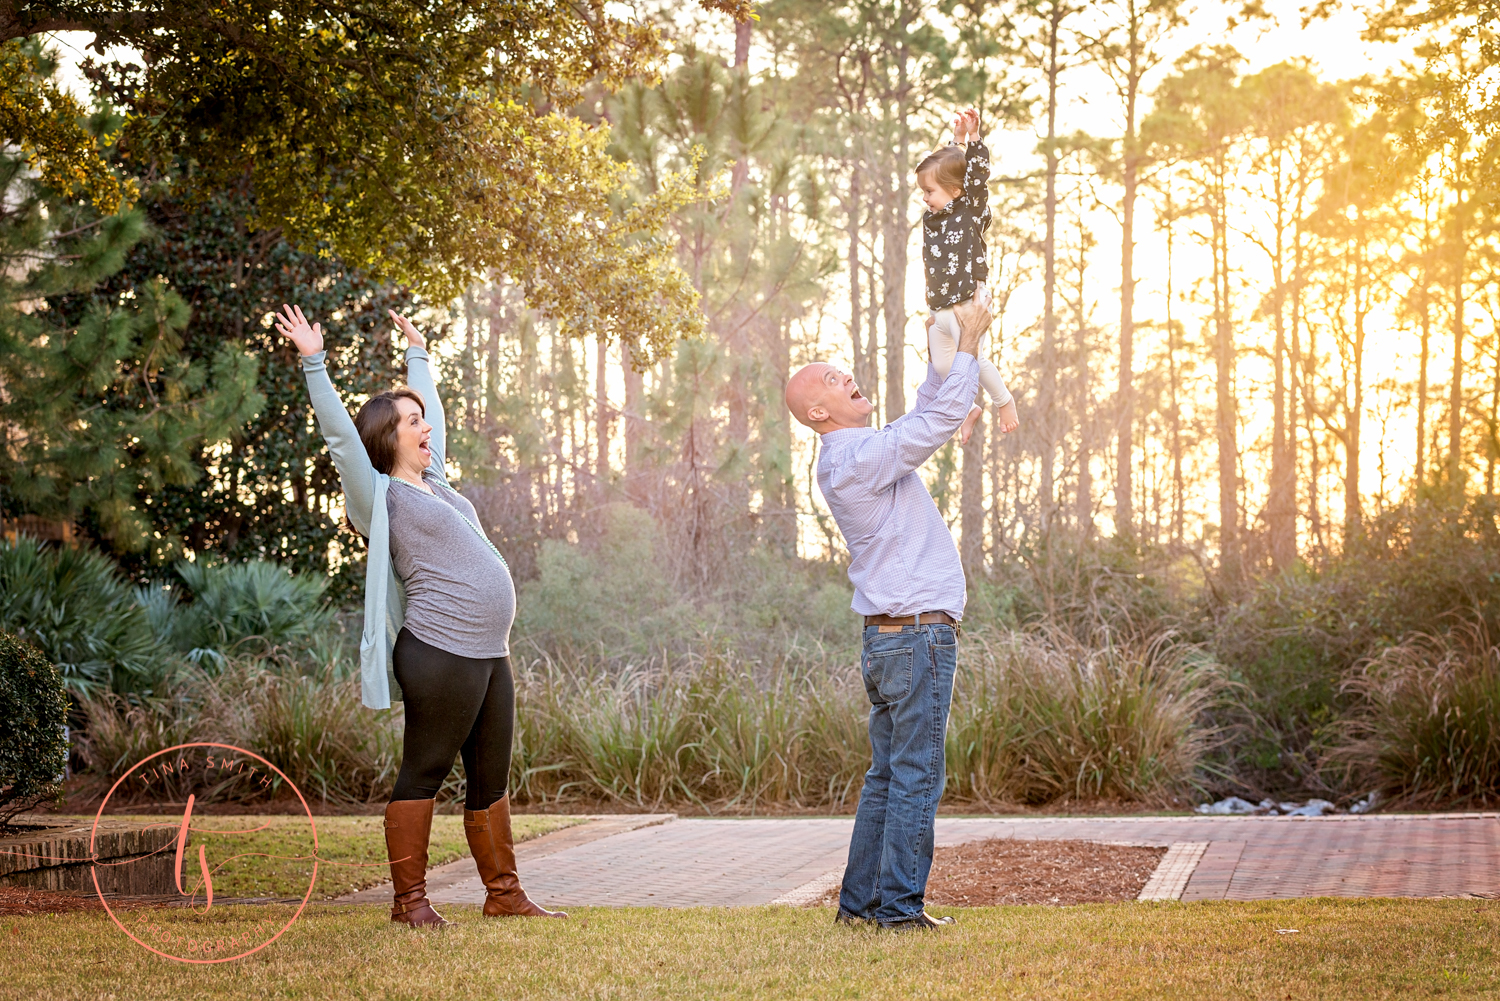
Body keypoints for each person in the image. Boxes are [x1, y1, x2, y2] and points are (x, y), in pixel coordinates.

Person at [273, 303, 564, 927]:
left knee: (491, 773)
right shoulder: (378, 495)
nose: (426, 428)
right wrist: (314, 364)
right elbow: (340, 439)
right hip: (438, 649)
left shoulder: (441, 485)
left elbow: (431, 415)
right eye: (412, 422)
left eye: (424, 419)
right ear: (387, 436)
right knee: (426, 768)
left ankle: (504, 894)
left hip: (490, 650)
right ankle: (410, 902)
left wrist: (419, 358)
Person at [784, 296, 992, 931]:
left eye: (840, 369)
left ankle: (861, 907)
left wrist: (947, 354)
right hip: (917, 639)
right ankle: (899, 911)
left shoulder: (858, 454)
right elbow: (932, 423)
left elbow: (928, 415)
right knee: (915, 777)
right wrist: (971, 348)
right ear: (819, 412)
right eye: (831, 377)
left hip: (892, 641)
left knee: (886, 778)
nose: (846, 375)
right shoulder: (851, 460)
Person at [916, 106, 1020, 446]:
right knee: (947, 370)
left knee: (975, 360)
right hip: (941, 307)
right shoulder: (936, 216)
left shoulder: (969, 210)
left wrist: (973, 138)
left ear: (956, 193)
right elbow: (949, 169)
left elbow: (973, 177)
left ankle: (1004, 402)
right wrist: (955, 140)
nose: (924, 197)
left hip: (966, 305)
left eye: (929, 191)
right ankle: (967, 411)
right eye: (924, 191)